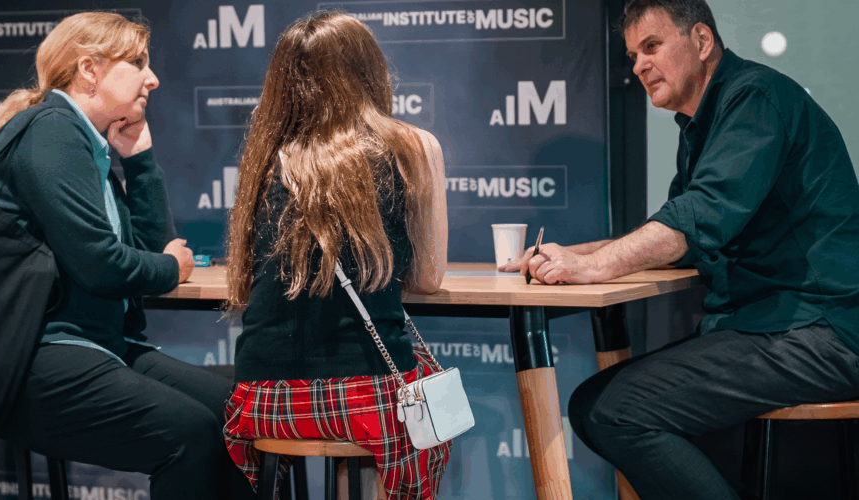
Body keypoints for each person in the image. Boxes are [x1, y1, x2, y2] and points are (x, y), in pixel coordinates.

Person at [501, 0, 859, 498]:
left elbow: (699, 217)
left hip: (822, 331)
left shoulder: (754, 99)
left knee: (608, 410)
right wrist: (571, 254)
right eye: (633, 55)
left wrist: (594, 266)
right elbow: (678, 231)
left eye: (652, 46)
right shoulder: (701, 123)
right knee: (605, 405)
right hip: (773, 325)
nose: (638, 66)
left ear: (702, 41)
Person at [0, 12, 254, 500]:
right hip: (33, 357)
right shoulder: (51, 132)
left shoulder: (86, 144)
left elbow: (149, 250)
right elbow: (103, 265)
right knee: (189, 434)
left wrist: (139, 160)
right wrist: (173, 268)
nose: (153, 78)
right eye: (138, 63)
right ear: (89, 69)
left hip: (100, 345)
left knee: (240, 414)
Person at [222, 12, 450, 500]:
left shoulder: (263, 158)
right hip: (366, 399)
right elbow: (428, 278)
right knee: (423, 399)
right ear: (371, 73)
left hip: (261, 402)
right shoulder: (413, 146)